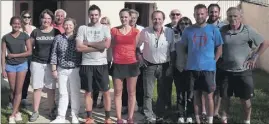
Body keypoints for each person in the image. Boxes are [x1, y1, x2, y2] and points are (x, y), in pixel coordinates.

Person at [219, 7, 269, 124]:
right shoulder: (222, 30)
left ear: (240, 17)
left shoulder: (248, 30)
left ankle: (247, 121)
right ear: (227, 17)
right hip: (226, 71)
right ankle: (224, 120)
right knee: (225, 98)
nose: (233, 19)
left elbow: (265, 43)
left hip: (243, 72)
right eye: (230, 16)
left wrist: (254, 57)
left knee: (245, 100)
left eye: (235, 16)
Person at [180, 4, 223, 124]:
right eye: (197, 14)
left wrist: (214, 61)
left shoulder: (213, 29)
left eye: (202, 13)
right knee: (196, 95)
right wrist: (186, 60)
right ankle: (198, 120)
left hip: (208, 69)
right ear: (194, 15)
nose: (199, 16)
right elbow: (183, 47)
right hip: (192, 68)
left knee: (209, 96)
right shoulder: (188, 30)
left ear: (206, 14)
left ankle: (209, 120)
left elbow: (219, 47)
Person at [76, 4, 112, 123]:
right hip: (86, 64)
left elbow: (106, 45)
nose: (94, 16)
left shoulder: (105, 28)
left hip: (101, 64)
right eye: (92, 14)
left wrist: (88, 43)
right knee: (88, 92)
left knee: (106, 92)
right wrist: (98, 46)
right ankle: (89, 117)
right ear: (89, 15)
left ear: (99, 15)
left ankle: (107, 118)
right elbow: (79, 48)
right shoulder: (83, 28)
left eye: (96, 14)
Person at [137, 10, 175, 123]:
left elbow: (172, 49)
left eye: (159, 19)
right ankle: (149, 116)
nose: (157, 21)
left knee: (162, 93)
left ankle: (160, 115)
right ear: (151, 19)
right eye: (154, 18)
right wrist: (140, 58)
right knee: (148, 93)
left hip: (165, 66)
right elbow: (137, 46)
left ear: (163, 20)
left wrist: (172, 65)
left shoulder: (169, 31)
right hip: (149, 66)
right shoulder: (145, 31)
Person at [29, 9, 61, 122]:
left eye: (48, 18)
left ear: (52, 20)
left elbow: (60, 48)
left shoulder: (56, 32)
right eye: (44, 18)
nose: (46, 20)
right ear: (41, 19)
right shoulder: (36, 32)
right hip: (37, 62)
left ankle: (51, 110)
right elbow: (29, 47)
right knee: (37, 87)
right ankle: (35, 111)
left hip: (51, 64)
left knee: (51, 88)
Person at [110, 8, 140, 123]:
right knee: (118, 92)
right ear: (119, 17)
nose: (124, 19)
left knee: (131, 92)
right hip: (118, 64)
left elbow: (136, 47)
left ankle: (130, 117)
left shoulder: (136, 31)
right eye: (122, 17)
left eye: (126, 17)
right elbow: (111, 45)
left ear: (130, 18)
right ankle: (118, 118)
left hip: (132, 64)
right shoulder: (113, 31)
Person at [49, 18, 82, 123]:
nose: (68, 27)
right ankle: (61, 116)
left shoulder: (78, 38)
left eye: (70, 25)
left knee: (75, 93)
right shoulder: (58, 38)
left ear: (74, 26)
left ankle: (75, 115)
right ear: (63, 26)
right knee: (63, 93)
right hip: (61, 69)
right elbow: (54, 54)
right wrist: (54, 69)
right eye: (66, 25)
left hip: (75, 69)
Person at [1, 16, 32, 123]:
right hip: (10, 66)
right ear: (11, 24)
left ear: (21, 25)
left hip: (22, 65)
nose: (17, 25)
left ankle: (12, 115)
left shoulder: (25, 36)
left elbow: (29, 52)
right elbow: (2, 54)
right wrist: (3, 68)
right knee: (13, 90)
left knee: (18, 91)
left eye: (19, 24)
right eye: (15, 23)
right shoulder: (5, 37)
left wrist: (14, 55)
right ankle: (17, 111)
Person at [121, 9, 145, 115]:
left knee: (140, 84)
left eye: (134, 18)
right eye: (130, 17)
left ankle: (140, 105)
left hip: (139, 59)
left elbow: (144, 44)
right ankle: (125, 106)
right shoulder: (122, 29)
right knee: (126, 84)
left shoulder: (141, 29)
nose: (132, 19)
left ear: (137, 18)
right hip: (125, 60)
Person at [206, 3, 226, 120]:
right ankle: (205, 111)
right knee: (206, 87)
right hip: (206, 61)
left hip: (221, 61)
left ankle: (215, 112)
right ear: (208, 12)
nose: (213, 14)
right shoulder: (203, 25)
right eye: (211, 12)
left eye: (215, 12)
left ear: (219, 13)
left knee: (217, 87)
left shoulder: (224, 26)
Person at [174, 17, 194, 123]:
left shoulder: (194, 36)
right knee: (180, 94)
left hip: (191, 69)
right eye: (182, 23)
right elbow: (173, 53)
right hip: (179, 68)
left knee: (191, 94)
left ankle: (190, 115)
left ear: (190, 25)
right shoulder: (176, 37)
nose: (184, 25)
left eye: (187, 23)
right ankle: (181, 114)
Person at [164, 9, 182, 110]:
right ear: (170, 16)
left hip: (181, 62)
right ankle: (167, 106)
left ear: (180, 16)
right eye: (173, 14)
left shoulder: (184, 27)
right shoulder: (165, 28)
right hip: (168, 61)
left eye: (177, 14)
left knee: (180, 86)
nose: (175, 16)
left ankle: (179, 107)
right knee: (167, 85)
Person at [92, 16, 111, 109]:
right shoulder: (97, 33)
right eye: (102, 23)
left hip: (108, 60)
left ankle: (103, 101)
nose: (104, 25)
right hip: (97, 60)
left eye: (106, 23)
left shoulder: (112, 34)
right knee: (95, 81)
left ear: (109, 25)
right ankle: (94, 101)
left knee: (104, 81)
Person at [20, 10, 36, 107]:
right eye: (25, 17)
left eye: (28, 17)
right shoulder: (19, 28)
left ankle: (24, 98)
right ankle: (14, 98)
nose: (27, 18)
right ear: (22, 18)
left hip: (31, 55)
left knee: (27, 77)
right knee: (20, 76)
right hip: (22, 55)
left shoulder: (34, 29)